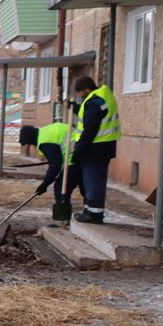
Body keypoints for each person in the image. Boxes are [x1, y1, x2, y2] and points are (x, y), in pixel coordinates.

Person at [71, 75, 120, 224]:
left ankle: (94, 214)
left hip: (95, 148)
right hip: (103, 147)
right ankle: (90, 210)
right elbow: (93, 116)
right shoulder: (102, 96)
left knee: (93, 181)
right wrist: (76, 108)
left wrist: (78, 150)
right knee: (93, 180)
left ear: (86, 89)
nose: (79, 95)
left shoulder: (93, 102)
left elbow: (89, 129)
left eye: (79, 92)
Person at [19, 121, 73, 204]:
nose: (31, 146)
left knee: (61, 187)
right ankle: (91, 211)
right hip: (84, 152)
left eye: (29, 143)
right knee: (85, 186)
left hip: (76, 157)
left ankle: (63, 213)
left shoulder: (45, 142)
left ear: (31, 139)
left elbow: (56, 165)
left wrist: (45, 184)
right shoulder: (45, 132)